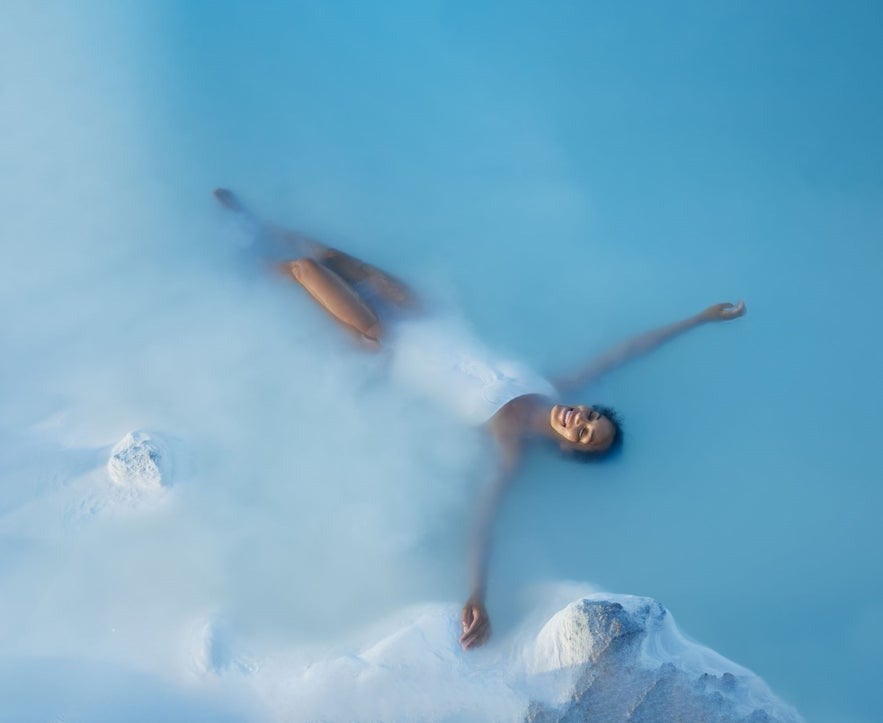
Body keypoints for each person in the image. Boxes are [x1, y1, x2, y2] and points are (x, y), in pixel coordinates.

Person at [213, 188, 746, 650]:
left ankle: (229, 268)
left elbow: (484, 522)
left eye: (582, 434)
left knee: (305, 272)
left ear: (567, 448)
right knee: (332, 256)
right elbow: (625, 351)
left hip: (383, 338)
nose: (578, 419)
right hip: (419, 311)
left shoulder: (509, 440)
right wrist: (697, 319)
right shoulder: (554, 387)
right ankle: (252, 224)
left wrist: (477, 596)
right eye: (590, 417)